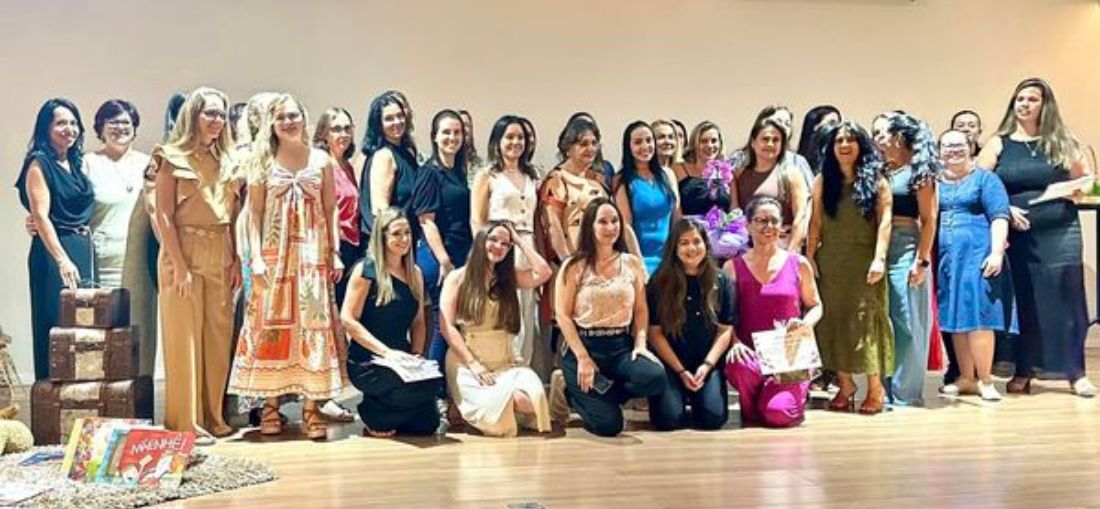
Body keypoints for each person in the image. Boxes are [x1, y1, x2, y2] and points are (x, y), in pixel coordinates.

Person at [228, 94, 346, 439]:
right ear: (271, 123)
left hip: (311, 254)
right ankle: (269, 405)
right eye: (281, 117)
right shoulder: (262, 161)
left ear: (303, 118)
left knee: (312, 328)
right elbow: (253, 214)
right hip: (273, 255)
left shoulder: (321, 160)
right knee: (270, 327)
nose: (289, 122)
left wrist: (334, 251)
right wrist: (254, 258)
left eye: (294, 116)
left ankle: (310, 408)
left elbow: (330, 208)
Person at [977, 77, 1095, 397]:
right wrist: (1004, 208)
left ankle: (1076, 373)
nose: (1024, 104)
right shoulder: (999, 143)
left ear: (1045, 106)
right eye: (1020, 99)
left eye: (1032, 99)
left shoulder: (1062, 141)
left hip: (1060, 231)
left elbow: (1087, 180)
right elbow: (979, 182)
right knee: (1025, 301)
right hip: (1017, 235)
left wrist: (1078, 189)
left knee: (1066, 299)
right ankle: (1024, 369)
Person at [149, 87, 242, 442]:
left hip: (220, 252)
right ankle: (186, 421)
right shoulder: (170, 157)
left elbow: (233, 216)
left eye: (221, 114)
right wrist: (179, 266)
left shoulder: (227, 160)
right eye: (210, 113)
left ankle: (214, 416)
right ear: (194, 116)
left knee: (218, 338)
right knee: (184, 339)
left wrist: (235, 258)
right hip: (182, 250)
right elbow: (163, 215)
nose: (217, 120)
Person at [555, 198, 667, 437]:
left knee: (655, 377)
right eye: (602, 222)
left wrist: (640, 344)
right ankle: (571, 392)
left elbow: (641, 309)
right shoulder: (574, 265)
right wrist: (583, 358)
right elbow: (563, 315)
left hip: (619, 345)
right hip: (583, 345)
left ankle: (602, 393)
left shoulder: (632, 263)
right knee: (609, 426)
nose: (610, 227)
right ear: (590, 226)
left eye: (615, 221)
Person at [807, 121, 894, 415]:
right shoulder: (823, 181)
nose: (844, 145)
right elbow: (815, 223)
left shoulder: (877, 181)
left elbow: (885, 222)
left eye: (850, 140)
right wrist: (810, 258)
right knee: (834, 321)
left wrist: (879, 258)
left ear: (861, 145)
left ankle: (875, 388)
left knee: (865, 322)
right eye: (839, 141)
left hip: (865, 262)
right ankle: (845, 385)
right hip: (831, 261)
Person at [438, 221, 553, 437]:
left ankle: (487, 408)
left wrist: (519, 240)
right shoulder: (457, 278)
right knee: (500, 412)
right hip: (468, 360)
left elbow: (544, 272)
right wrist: (473, 364)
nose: (499, 246)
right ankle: (466, 406)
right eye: (493, 240)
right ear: (481, 240)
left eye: (505, 244)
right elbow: (446, 326)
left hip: (505, 361)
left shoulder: (508, 277)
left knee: (531, 400)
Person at [340, 208, 440, 436]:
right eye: (396, 234)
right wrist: (386, 353)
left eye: (407, 233)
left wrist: (417, 355)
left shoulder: (415, 273)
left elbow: (418, 322)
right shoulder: (366, 270)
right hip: (369, 359)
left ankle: (391, 413)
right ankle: (373, 414)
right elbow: (348, 319)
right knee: (400, 387)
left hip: (402, 358)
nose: (404, 239)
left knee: (428, 421)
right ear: (382, 236)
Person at [14, 98, 95, 381]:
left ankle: (82, 395)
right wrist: (62, 260)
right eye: (61, 123)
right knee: (56, 328)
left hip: (81, 250)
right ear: (45, 128)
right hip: (54, 254)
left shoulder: (75, 163)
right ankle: (54, 397)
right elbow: (41, 215)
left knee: (82, 328)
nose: (69, 129)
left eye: (73, 123)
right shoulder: (39, 164)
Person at [725, 196, 822, 427]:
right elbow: (724, 315)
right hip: (751, 354)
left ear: (782, 226)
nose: (768, 226)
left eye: (773, 221)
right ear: (748, 225)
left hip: (789, 355)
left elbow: (816, 305)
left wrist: (805, 324)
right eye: (761, 220)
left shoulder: (799, 264)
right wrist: (735, 342)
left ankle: (779, 399)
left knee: (778, 415)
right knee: (739, 365)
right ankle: (755, 405)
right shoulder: (732, 267)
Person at [937, 130, 1016, 401]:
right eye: (947, 145)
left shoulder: (986, 179)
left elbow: (999, 216)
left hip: (978, 254)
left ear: (970, 147)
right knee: (956, 318)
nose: (953, 150)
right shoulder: (935, 181)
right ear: (939, 151)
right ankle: (966, 378)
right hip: (948, 258)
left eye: (959, 144)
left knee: (980, 317)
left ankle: (985, 379)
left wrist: (996, 252)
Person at [469, 115, 541, 369]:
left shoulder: (531, 175)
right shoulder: (488, 175)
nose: (515, 142)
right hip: (500, 248)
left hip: (527, 246)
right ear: (497, 141)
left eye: (520, 137)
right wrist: (485, 255)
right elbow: (477, 220)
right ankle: (502, 368)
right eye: (509, 137)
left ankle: (524, 370)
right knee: (504, 308)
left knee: (527, 312)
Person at [646, 219, 732, 430]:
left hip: (706, 362)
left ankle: (698, 397)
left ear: (706, 245)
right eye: (684, 243)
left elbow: (725, 329)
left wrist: (707, 365)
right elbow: (654, 333)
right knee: (667, 421)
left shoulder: (721, 279)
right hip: (671, 364)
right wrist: (681, 371)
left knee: (713, 419)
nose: (691, 248)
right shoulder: (659, 281)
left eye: (696, 241)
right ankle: (678, 396)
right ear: (674, 248)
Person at [878, 113, 940, 407]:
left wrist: (922, 260)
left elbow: (929, 219)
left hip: (906, 246)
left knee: (907, 318)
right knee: (886, 318)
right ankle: (884, 387)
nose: (881, 140)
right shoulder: (883, 170)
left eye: (886, 134)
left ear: (899, 138)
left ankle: (905, 392)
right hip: (879, 247)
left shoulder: (919, 173)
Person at [412, 110, 472, 369]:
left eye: (457, 132)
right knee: (443, 325)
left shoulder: (458, 172)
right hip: (438, 257)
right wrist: (445, 262)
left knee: (453, 322)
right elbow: (426, 221)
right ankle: (433, 385)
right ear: (434, 137)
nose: (452, 137)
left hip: (459, 254)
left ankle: (449, 383)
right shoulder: (430, 172)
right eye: (446, 132)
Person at [731, 117, 810, 250]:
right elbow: (735, 213)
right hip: (747, 250)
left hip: (782, 249)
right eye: (765, 139)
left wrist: (792, 252)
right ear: (753, 143)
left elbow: (801, 217)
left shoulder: (792, 175)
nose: (770, 144)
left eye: (776, 140)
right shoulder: (739, 174)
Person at [613, 121, 679, 275]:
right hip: (641, 259)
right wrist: (639, 265)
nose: (645, 146)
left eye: (649, 140)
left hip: (669, 259)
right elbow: (626, 226)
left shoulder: (668, 175)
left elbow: (676, 217)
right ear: (628, 147)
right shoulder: (622, 180)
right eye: (638, 142)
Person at [358, 91, 419, 242]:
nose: (397, 122)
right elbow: (380, 210)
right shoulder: (384, 156)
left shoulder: (406, 152)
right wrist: (394, 242)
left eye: (400, 116)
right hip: (391, 243)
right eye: (389, 118)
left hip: (405, 239)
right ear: (378, 124)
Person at [674, 121, 730, 217]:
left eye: (714, 141)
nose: (710, 146)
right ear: (694, 144)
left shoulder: (726, 172)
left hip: (721, 226)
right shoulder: (679, 169)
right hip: (688, 225)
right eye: (704, 141)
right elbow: (675, 210)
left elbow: (734, 209)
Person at [796, 105, 841, 173]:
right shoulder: (798, 162)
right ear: (815, 127)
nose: (837, 128)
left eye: (838, 123)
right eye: (832, 123)